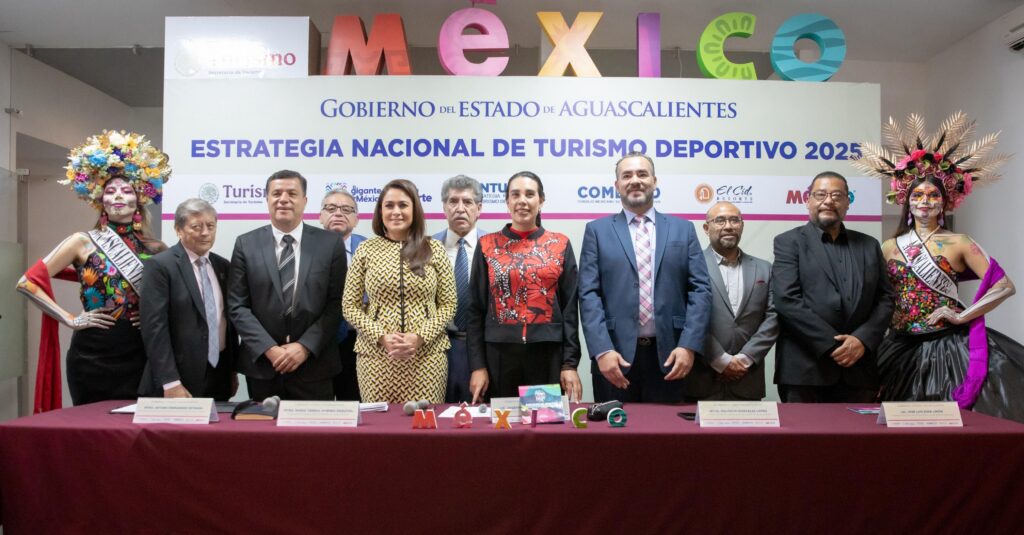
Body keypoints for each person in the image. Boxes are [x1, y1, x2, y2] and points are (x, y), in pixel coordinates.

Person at [853, 112, 1024, 422]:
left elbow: (1004, 285)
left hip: (947, 346)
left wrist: (961, 315)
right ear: (906, 200)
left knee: (947, 422)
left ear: (945, 202)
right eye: (918, 195)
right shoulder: (889, 246)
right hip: (899, 345)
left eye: (933, 195)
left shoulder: (959, 242)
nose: (925, 201)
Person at [16, 130, 169, 406]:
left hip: (142, 352)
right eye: (110, 191)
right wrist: (71, 319)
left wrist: (151, 314)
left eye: (126, 191)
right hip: (93, 355)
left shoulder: (157, 248)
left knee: (138, 428)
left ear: (139, 199)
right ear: (101, 200)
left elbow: (172, 299)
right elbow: (27, 282)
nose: (118, 196)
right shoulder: (81, 242)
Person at [579, 152, 711, 403]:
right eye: (626, 175)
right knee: (614, 427)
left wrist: (689, 345)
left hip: (672, 357)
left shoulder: (683, 229)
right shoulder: (596, 231)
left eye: (642, 174)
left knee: (667, 428)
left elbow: (700, 290)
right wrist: (602, 350)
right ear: (617, 185)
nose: (635, 181)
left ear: (654, 181)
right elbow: (588, 294)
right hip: (614, 358)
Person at [772, 171, 894, 403]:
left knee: (857, 429)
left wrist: (862, 340)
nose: (828, 201)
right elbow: (786, 300)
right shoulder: (788, 242)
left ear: (848, 202)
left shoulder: (869, 245)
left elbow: (885, 298)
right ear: (808, 201)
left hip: (859, 369)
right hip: (805, 371)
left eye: (837, 195)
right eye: (820, 195)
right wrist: (833, 345)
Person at [227, 170, 347, 401]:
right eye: (277, 193)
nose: (283, 199)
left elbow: (337, 303)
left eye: (292, 193)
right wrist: (269, 349)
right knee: (263, 426)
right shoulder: (246, 244)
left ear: (305, 201)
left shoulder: (330, 244)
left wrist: (304, 347)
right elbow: (237, 306)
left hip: (315, 366)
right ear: (267, 199)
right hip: (264, 367)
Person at [468, 171, 583, 403]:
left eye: (530, 194)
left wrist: (569, 364)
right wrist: (478, 366)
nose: (522, 201)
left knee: (545, 421)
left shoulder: (560, 244)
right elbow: (475, 310)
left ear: (541, 200)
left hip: (547, 354)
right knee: (501, 423)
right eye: (515, 195)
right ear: (507, 201)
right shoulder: (487, 245)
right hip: (498, 356)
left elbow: (570, 310)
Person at [342, 179, 457, 403]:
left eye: (403, 205)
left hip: (427, 358)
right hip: (376, 358)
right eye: (389, 205)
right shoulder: (366, 249)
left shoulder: (434, 249)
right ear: (380, 211)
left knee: (424, 422)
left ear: (415, 210)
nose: (396, 211)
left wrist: (421, 336)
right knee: (379, 423)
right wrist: (380, 336)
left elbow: (448, 304)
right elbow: (349, 306)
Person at [139, 199, 237, 400]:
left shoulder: (223, 266)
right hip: (179, 379)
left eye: (210, 226)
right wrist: (170, 381)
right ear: (178, 229)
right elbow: (154, 328)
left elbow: (228, 322)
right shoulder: (160, 266)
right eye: (196, 227)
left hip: (219, 375)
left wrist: (232, 371)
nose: (205, 233)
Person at [684, 202, 777, 401]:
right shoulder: (689, 266)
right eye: (720, 220)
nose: (728, 226)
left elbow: (773, 317)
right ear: (706, 228)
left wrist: (745, 359)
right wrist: (720, 359)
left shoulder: (764, 268)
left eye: (734, 220)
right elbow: (685, 315)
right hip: (702, 379)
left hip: (748, 379)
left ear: (742, 225)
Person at [432, 175, 486, 403]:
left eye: (468, 202)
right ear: (444, 207)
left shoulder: (494, 247)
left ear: (479, 208)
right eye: (453, 201)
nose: (460, 208)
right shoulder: (426, 247)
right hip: (435, 348)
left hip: (482, 350)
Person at [319, 187, 367, 401]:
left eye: (346, 209)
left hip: (359, 342)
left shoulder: (370, 249)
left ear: (356, 219)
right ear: (320, 216)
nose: (338, 213)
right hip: (319, 342)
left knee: (356, 406)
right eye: (331, 208)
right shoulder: (306, 248)